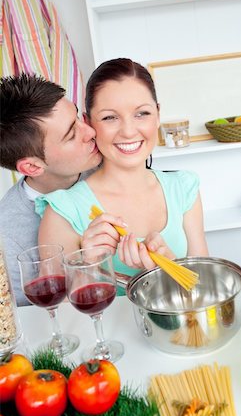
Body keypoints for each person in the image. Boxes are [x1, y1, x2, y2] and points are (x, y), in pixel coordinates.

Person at [36, 58, 209, 287]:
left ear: (157, 115)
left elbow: (205, 292)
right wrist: (90, 265)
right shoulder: (63, 210)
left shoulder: (184, 189)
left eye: (142, 113)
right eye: (110, 117)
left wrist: (170, 266)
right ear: (88, 123)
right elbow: (57, 316)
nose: (128, 131)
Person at [0, 74, 102, 305]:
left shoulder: (107, 165)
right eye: (72, 134)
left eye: (78, 117)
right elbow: (35, 323)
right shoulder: (7, 235)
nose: (91, 132)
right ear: (32, 166)